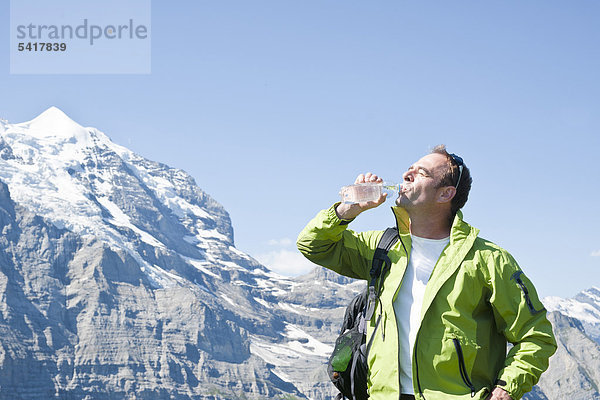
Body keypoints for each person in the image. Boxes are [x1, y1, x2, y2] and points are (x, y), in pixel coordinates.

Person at [297, 145, 556, 400]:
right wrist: (348, 209)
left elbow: (535, 335)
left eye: (421, 173)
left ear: (446, 194)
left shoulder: (488, 260)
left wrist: (506, 390)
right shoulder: (383, 247)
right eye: (408, 170)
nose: (406, 176)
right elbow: (313, 244)